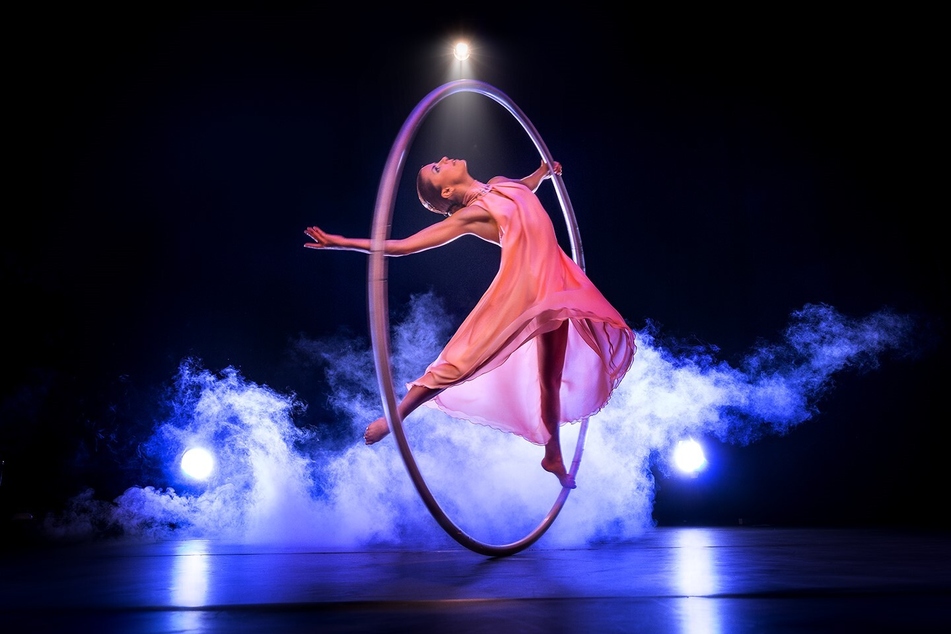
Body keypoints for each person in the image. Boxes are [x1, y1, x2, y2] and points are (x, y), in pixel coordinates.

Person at [304, 157, 635, 488]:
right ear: (448, 190)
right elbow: (404, 246)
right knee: (463, 358)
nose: (442, 159)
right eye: (436, 168)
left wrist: (541, 173)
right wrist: (342, 242)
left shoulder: (502, 182)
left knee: (550, 376)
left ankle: (552, 453)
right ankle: (396, 417)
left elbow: (524, 190)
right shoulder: (472, 214)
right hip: (527, 290)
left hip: (559, 283)